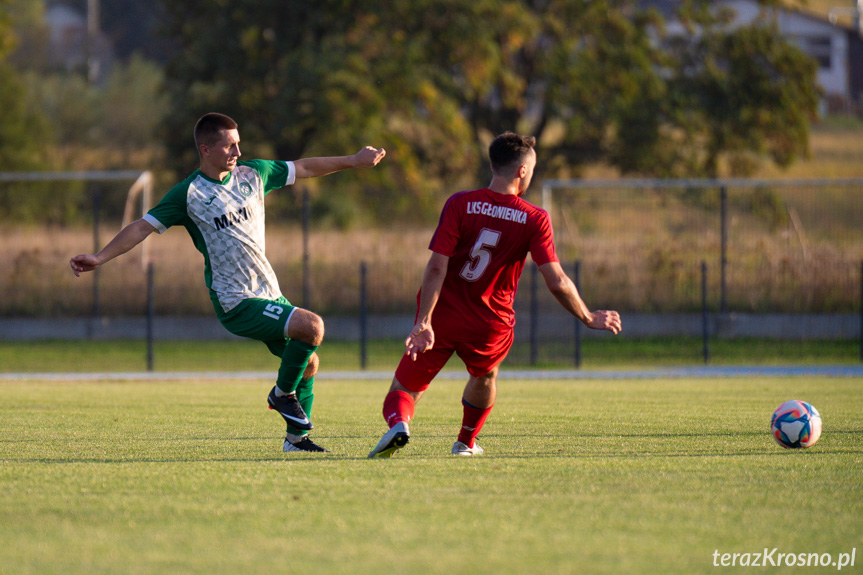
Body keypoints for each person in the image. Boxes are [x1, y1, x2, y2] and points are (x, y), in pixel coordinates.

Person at [70, 112, 386, 453]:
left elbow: (305, 167)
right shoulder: (187, 193)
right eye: (229, 145)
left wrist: (354, 161)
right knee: (312, 326)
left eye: (238, 142)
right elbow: (141, 227)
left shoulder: (254, 173)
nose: (237, 150)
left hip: (268, 293)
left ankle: (296, 440)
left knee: (308, 361)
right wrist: (100, 257)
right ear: (206, 149)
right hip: (235, 300)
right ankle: (281, 395)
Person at [368, 132, 621, 458]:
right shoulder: (535, 218)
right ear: (522, 171)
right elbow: (556, 280)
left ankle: (399, 424)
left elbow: (435, 268)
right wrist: (587, 316)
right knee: (485, 376)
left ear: (492, 164)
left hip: (442, 314)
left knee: (404, 389)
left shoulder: (459, 203)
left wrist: (424, 320)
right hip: (491, 321)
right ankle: (465, 443)